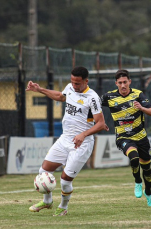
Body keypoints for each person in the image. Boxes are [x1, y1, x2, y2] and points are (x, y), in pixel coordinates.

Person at [26, 66, 107, 216]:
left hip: (82, 144)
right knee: (43, 171)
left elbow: (101, 124)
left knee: (65, 180)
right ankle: (47, 201)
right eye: (72, 82)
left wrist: (83, 134)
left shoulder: (92, 97)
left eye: (78, 83)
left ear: (86, 81)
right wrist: (40, 90)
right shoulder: (70, 87)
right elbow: (61, 96)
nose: (74, 86)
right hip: (64, 139)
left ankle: (63, 207)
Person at [100, 69, 151, 207]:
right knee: (134, 157)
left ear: (129, 82)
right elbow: (93, 106)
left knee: (147, 171)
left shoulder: (138, 95)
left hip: (141, 137)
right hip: (123, 137)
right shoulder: (109, 97)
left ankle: (148, 193)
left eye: (125, 82)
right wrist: (100, 122)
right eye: (120, 83)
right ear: (116, 83)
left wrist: (142, 108)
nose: (123, 85)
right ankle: (137, 182)